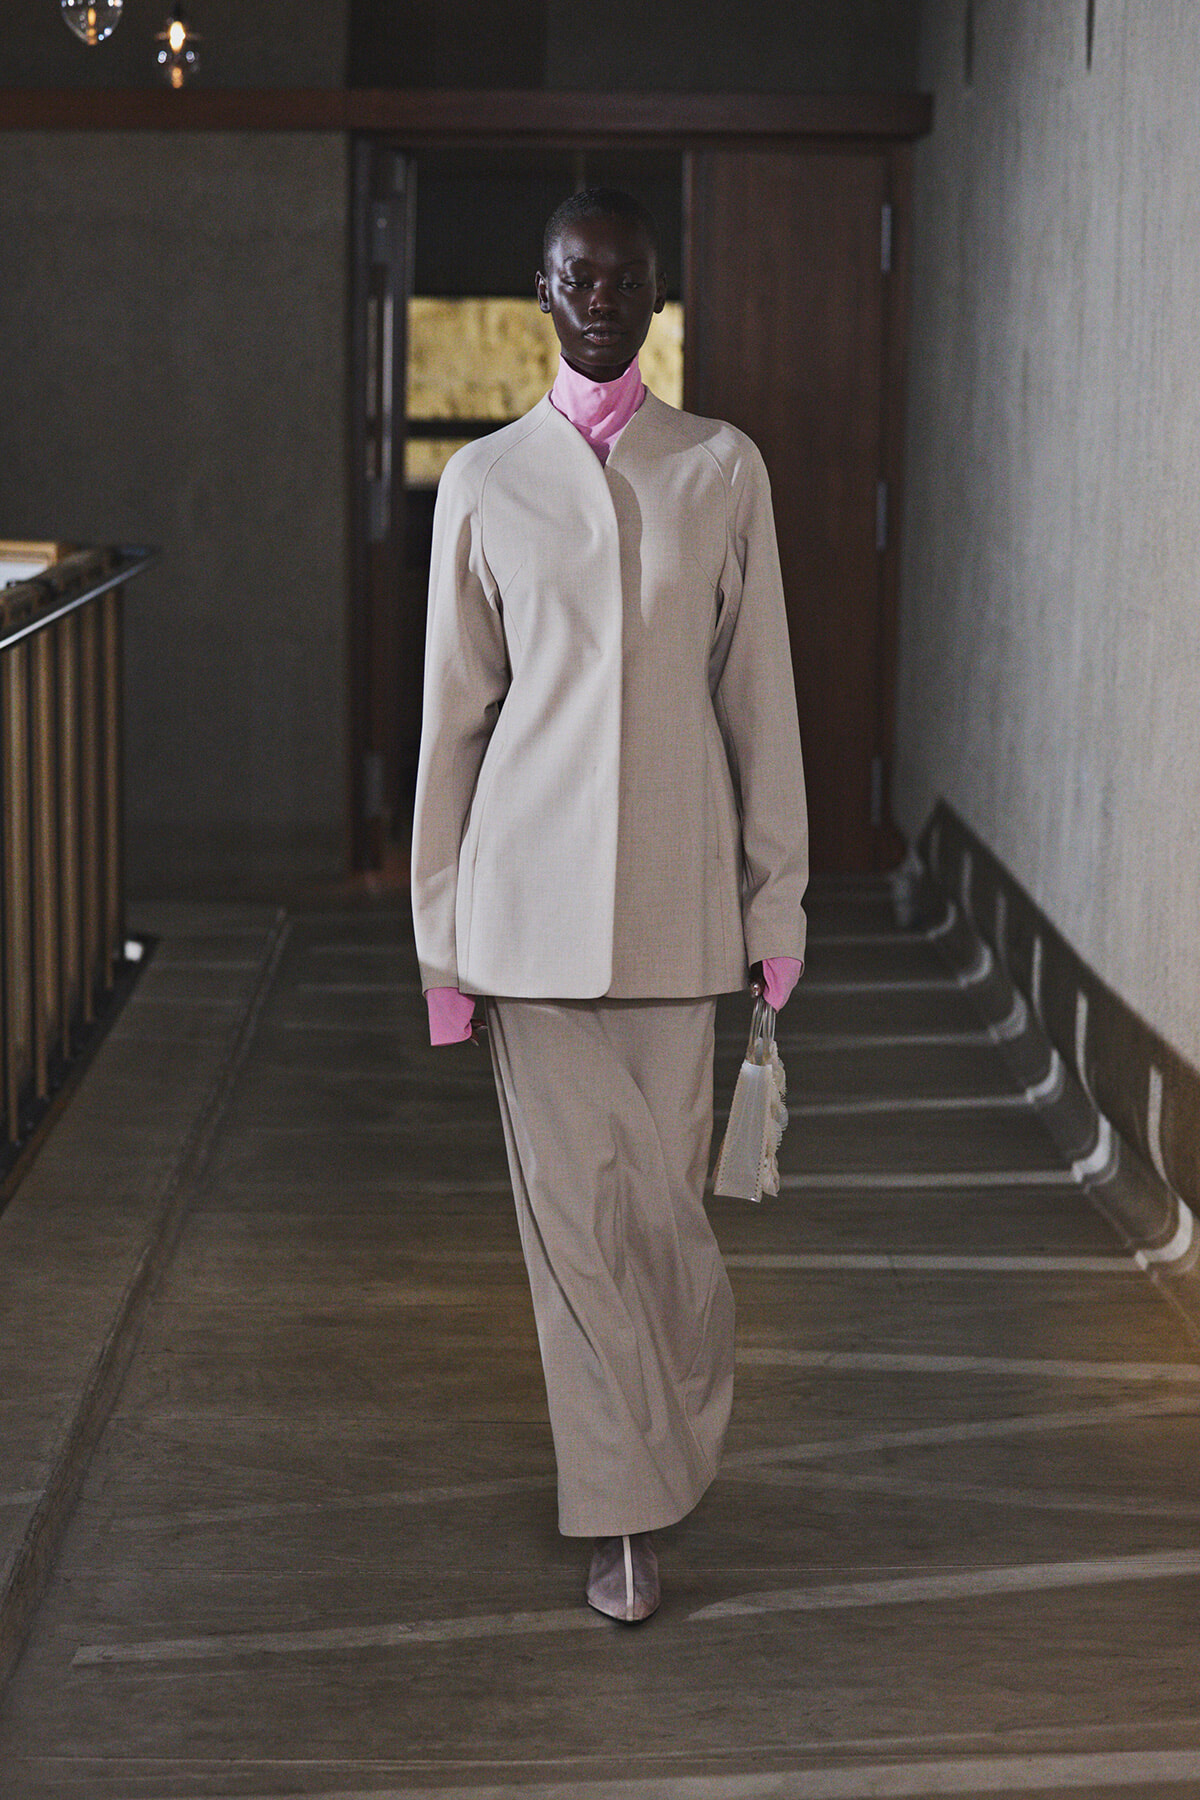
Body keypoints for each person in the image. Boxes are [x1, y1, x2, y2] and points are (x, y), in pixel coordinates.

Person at [411, 187, 808, 1624]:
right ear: (542, 289)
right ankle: (623, 1522)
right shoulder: (487, 483)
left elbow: (760, 703)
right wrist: (441, 944)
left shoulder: (720, 470)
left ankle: (668, 1441)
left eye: (624, 279)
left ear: (655, 296)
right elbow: (453, 727)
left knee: (665, 1234)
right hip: (523, 928)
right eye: (577, 277)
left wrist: (780, 912)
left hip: (682, 920)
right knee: (576, 1232)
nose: (599, 298)